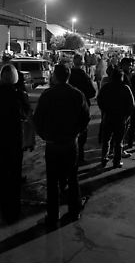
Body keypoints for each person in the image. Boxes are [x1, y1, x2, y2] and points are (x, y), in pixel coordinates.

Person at [33, 64, 90, 227]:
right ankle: (74, 210)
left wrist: (45, 136)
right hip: (70, 143)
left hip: (53, 144)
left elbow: (38, 119)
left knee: (52, 180)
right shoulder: (77, 94)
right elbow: (85, 118)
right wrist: (76, 132)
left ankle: (53, 215)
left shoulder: (47, 95)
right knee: (72, 177)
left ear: (55, 76)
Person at [0, 64, 31, 223]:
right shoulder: (18, 93)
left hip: (2, 136)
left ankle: (4, 209)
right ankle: (14, 210)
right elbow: (27, 111)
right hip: (15, 135)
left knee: (3, 172)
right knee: (14, 173)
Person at [97, 69, 135, 168]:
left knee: (106, 140)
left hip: (108, 116)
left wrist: (104, 110)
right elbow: (131, 104)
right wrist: (126, 115)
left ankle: (104, 158)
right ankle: (116, 161)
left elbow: (99, 100)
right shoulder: (125, 88)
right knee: (118, 141)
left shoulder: (106, 88)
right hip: (121, 118)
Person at [68, 53, 96, 163]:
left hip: (69, 108)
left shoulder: (69, 74)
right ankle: (80, 157)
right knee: (82, 133)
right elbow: (92, 92)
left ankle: (71, 157)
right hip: (82, 108)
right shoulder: (84, 75)